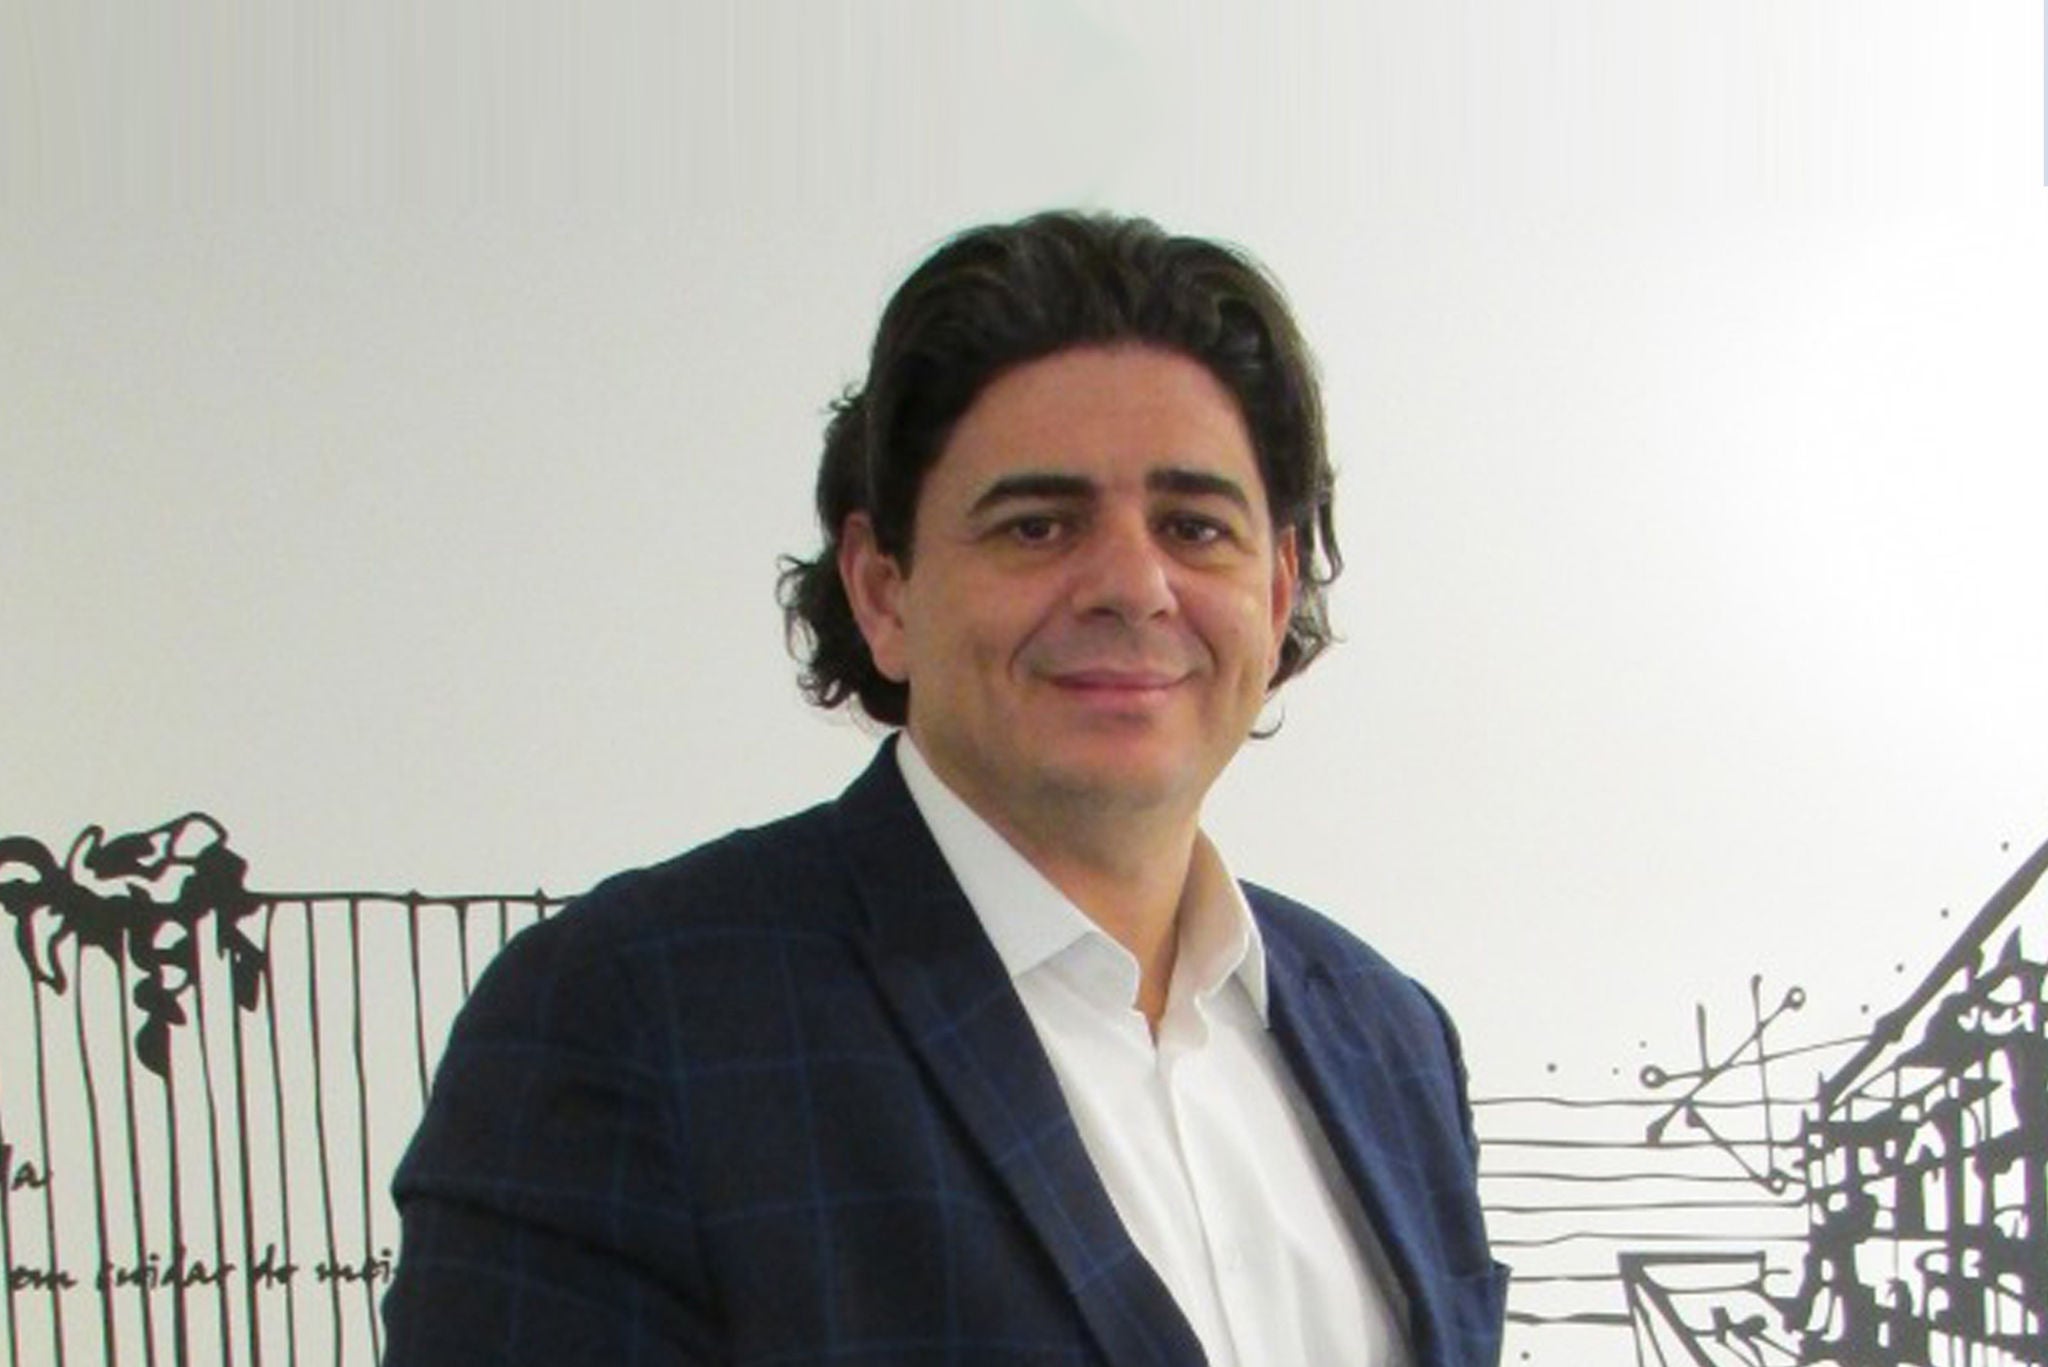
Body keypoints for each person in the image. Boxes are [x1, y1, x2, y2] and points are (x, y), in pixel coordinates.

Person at [382, 210, 1506, 1367]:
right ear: (882, 591)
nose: (1132, 583)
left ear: (1273, 594)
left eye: (1193, 526)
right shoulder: (628, 1019)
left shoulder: (1390, 1039)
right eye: (1037, 525)